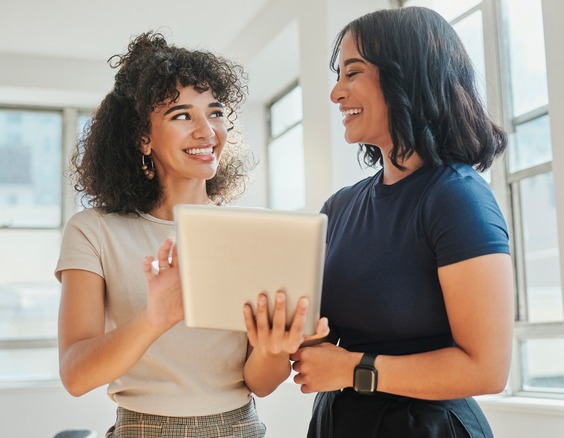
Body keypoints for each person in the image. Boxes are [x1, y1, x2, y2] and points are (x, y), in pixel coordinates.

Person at [56, 32, 327, 438]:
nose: (206, 131)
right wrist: (155, 318)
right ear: (142, 138)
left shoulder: (252, 236)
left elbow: (261, 383)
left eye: (214, 113)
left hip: (239, 427)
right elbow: (76, 376)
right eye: (182, 115)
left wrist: (273, 347)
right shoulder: (94, 230)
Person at [290, 6, 514, 438]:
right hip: (339, 422)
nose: (336, 93)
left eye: (351, 73)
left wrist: (355, 370)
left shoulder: (456, 197)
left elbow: (487, 369)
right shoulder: (338, 208)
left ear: (405, 76)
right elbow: (319, 337)